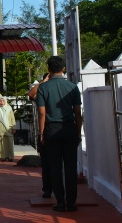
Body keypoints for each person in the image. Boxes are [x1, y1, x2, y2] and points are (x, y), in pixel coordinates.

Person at [36, 55, 82, 213]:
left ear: (48, 70)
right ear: (63, 69)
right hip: (69, 128)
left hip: (51, 129)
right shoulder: (72, 87)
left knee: (55, 168)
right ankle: (72, 203)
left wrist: (41, 133)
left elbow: (42, 113)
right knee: (70, 168)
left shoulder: (43, 88)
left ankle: (60, 202)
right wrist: (78, 131)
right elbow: (77, 111)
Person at [28, 74, 52, 199]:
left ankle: (53, 188)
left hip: (50, 131)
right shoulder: (42, 92)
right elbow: (31, 94)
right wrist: (43, 82)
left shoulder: (47, 91)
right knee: (47, 163)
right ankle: (48, 189)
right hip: (49, 131)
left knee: (52, 163)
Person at [0, 96, 16, 162]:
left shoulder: (9, 108)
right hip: (0, 128)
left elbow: (12, 119)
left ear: (5, 101)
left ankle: (10, 156)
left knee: (9, 142)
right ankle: (2, 156)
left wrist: (13, 128)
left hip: (8, 128)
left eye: (3, 101)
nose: (2, 102)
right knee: (1, 143)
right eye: (1, 101)